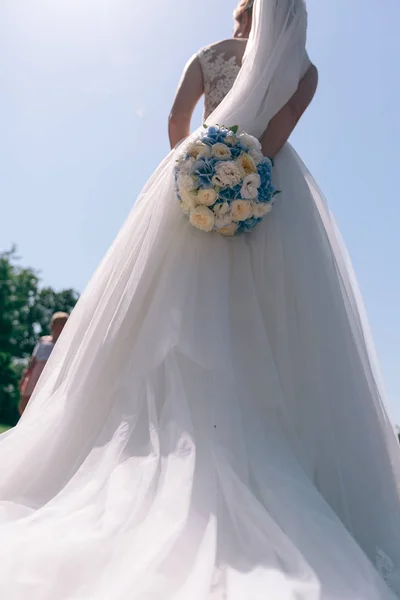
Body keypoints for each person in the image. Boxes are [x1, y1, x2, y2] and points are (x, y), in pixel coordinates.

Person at [0, 1, 399, 598]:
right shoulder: (306, 71)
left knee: (168, 312)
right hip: (269, 193)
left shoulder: (208, 56)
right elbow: (273, 137)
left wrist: (193, 170)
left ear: (243, 12)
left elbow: (175, 118)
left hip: (194, 180)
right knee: (272, 322)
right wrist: (236, 176)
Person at [18, 312, 69, 415]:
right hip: (36, 373)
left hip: (50, 375)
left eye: (62, 324)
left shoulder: (65, 345)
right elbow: (33, 359)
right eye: (57, 323)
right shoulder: (43, 340)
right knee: (25, 400)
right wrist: (25, 376)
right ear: (52, 325)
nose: (59, 327)